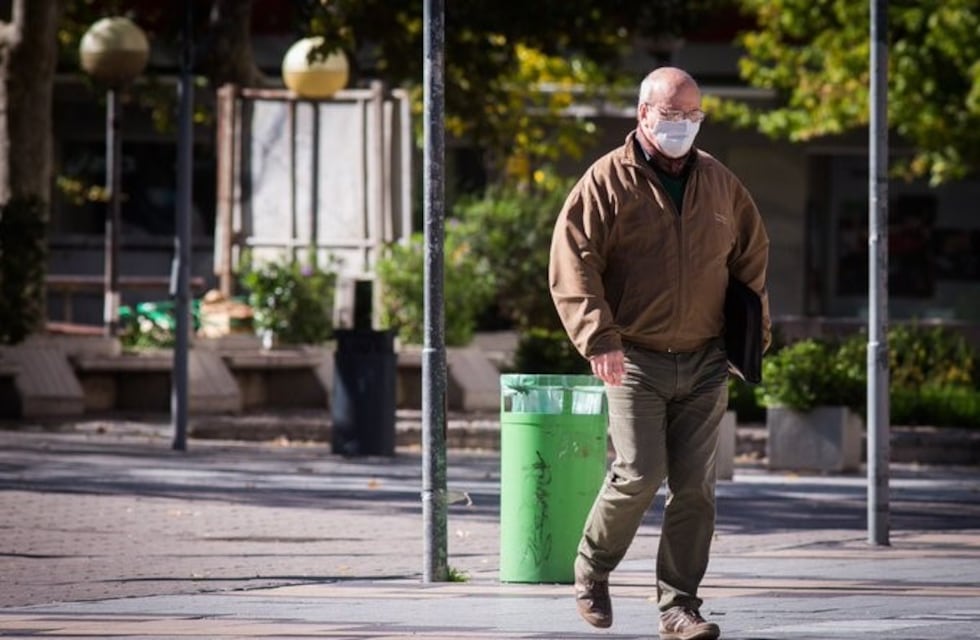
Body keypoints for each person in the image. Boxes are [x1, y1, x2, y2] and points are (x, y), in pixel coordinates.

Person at [548, 66, 771, 640]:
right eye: (671, 115)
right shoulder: (606, 181)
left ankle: (679, 606)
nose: (682, 126)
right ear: (643, 113)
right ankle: (592, 570)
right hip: (635, 359)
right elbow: (574, 261)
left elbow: (751, 259)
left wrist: (749, 340)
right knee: (639, 473)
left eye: (692, 116)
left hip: (704, 359)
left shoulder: (721, 183)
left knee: (696, 486)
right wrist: (599, 338)